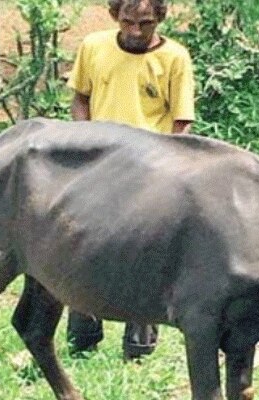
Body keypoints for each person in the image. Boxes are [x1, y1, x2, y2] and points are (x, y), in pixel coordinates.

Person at [65, 0, 195, 360]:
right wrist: (86, 139)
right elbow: (81, 98)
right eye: (127, 22)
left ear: (160, 20)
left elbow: (181, 121)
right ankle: (83, 339)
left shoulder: (175, 58)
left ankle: (138, 346)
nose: (135, 31)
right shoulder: (94, 47)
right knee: (83, 248)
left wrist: (167, 167)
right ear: (114, 17)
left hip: (149, 169)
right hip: (98, 162)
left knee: (144, 254)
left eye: (145, 23)